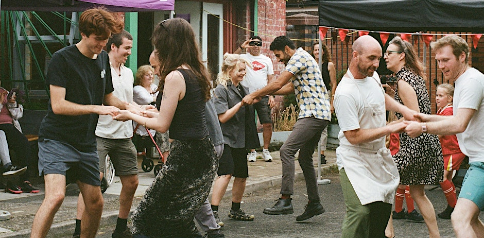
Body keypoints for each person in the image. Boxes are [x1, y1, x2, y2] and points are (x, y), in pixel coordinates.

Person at [113, 18, 217, 238]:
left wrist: (130, 114)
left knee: (146, 218)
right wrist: (142, 111)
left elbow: (162, 125)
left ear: (169, 44)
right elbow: (174, 115)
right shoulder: (193, 71)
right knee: (178, 222)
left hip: (188, 156)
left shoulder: (175, 76)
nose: (156, 50)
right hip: (200, 153)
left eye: (158, 45)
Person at [30, 8, 129, 238]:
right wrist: (96, 108)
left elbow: (108, 97)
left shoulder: (103, 58)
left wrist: (132, 108)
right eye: (98, 39)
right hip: (56, 138)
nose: (103, 44)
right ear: (83, 34)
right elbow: (58, 105)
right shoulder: (61, 59)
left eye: (106, 39)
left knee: (95, 203)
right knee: (55, 197)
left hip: (85, 142)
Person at [242, 36, 330, 221]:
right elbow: (290, 87)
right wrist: (266, 94)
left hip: (312, 114)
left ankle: (285, 199)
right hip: (320, 115)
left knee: (286, 151)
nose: (278, 59)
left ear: (287, 49)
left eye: (278, 55)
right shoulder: (303, 58)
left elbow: (278, 82)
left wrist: (255, 94)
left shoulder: (298, 57)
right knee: (305, 157)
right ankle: (314, 203)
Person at [405, 35, 484, 238]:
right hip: (478, 162)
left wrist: (423, 128)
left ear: (462, 56)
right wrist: (427, 117)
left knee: (460, 219)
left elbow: (459, 124)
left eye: (446, 60)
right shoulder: (463, 81)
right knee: (470, 218)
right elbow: (457, 118)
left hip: (482, 163)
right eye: (438, 60)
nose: (440, 65)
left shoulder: (472, 81)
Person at [334, 35, 412, 238]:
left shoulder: (373, 77)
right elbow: (353, 136)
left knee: (381, 212)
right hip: (354, 159)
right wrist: (390, 128)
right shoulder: (345, 92)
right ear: (355, 55)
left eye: (379, 58)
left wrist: (405, 111)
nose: (376, 64)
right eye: (371, 58)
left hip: (377, 157)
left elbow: (380, 96)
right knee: (360, 212)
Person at [73, 30, 144, 238]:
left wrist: (140, 111)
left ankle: (121, 229)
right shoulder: (100, 70)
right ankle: (79, 230)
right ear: (114, 47)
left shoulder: (129, 73)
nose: (129, 52)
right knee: (93, 180)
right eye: (127, 48)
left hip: (123, 135)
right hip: (99, 133)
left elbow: (127, 102)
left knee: (132, 182)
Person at [148, 49, 224, 238]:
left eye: (155, 67)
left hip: (201, 144)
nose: (154, 72)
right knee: (192, 191)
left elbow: (167, 122)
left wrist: (135, 114)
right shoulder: (193, 74)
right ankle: (211, 231)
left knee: (182, 195)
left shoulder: (177, 79)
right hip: (210, 141)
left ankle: (206, 231)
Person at [384, 36, 443, 238]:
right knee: (418, 193)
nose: (385, 57)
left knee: (384, 183)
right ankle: (435, 236)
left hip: (415, 144)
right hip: (427, 142)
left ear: (401, 56)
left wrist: (388, 127)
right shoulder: (412, 76)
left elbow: (414, 117)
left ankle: (388, 232)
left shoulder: (403, 81)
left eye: (389, 53)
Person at [211, 53, 258, 226]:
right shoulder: (221, 89)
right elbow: (222, 117)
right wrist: (241, 104)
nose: (243, 73)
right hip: (224, 139)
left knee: (242, 175)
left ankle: (235, 209)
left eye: (244, 70)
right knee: (225, 173)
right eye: (239, 70)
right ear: (229, 71)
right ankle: (213, 213)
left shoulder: (242, 89)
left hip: (240, 139)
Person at [235, 36, 275, 162]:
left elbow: (271, 79)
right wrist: (242, 47)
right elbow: (230, 59)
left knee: (267, 123)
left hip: (263, 95)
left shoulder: (266, 60)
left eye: (258, 44)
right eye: (253, 43)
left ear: (261, 45)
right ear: (249, 44)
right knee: (249, 124)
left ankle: (266, 150)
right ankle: (252, 151)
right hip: (248, 95)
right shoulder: (243, 57)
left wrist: (271, 95)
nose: (256, 46)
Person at [435, 83, 466, 219]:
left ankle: (454, 207)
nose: (437, 98)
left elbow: (440, 132)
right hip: (448, 150)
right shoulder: (443, 110)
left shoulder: (448, 111)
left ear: (450, 98)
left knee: (442, 177)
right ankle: (452, 205)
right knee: (446, 178)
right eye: (436, 95)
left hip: (453, 150)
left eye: (441, 96)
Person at [0, 88, 36, 193]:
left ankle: (25, 180)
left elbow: (17, 115)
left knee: (23, 143)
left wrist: (12, 103)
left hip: (9, 127)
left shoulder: (5, 92)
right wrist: (1, 103)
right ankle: (10, 176)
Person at [132, 64, 170, 160]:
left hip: (155, 117)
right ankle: (165, 157)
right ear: (141, 77)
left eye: (151, 74)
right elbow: (147, 99)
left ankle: (166, 155)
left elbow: (161, 99)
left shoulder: (154, 87)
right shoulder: (137, 89)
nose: (151, 77)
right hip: (143, 120)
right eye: (147, 75)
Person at [312, 42, 337, 164]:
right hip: (312, 97)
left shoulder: (329, 65)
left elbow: (334, 84)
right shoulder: (311, 65)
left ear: (323, 51)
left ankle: (321, 153)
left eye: (319, 49)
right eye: (315, 50)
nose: (317, 52)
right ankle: (311, 151)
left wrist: (332, 102)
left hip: (324, 96)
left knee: (323, 126)